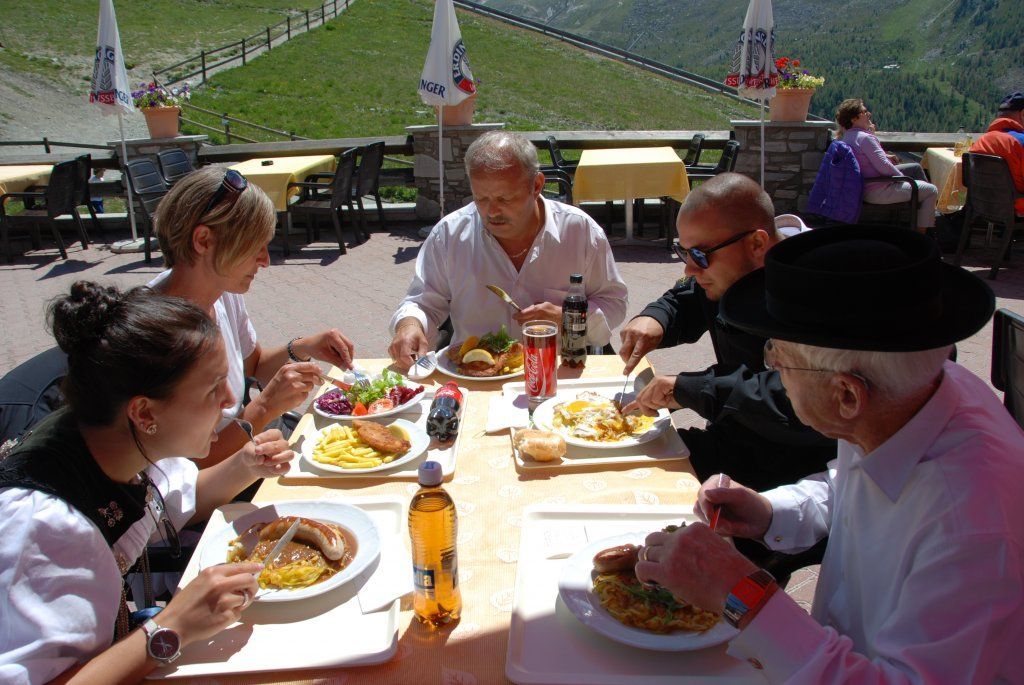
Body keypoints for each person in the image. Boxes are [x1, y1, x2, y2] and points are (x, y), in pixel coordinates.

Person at [636, 226, 1023, 682]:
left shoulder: (974, 528)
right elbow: (856, 485)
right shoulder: (916, 395)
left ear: (846, 394)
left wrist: (742, 593)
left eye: (778, 354)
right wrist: (772, 511)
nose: (771, 364)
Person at [0, 281, 295, 684]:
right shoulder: (45, 529)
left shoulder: (118, 439)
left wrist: (245, 465)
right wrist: (172, 626)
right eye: (212, 387)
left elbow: (182, 499)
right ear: (143, 412)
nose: (230, 398)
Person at [620, 173, 836, 493]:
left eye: (701, 255)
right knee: (619, 460)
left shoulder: (821, 290)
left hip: (798, 476)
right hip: (732, 439)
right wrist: (657, 319)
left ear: (757, 243)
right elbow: (691, 294)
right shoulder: (729, 267)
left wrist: (695, 389)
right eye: (684, 252)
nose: (690, 268)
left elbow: (808, 399)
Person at [152, 166, 355, 465]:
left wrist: (301, 348)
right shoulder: (154, 333)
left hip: (256, 447)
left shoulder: (222, 291)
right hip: (226, 482)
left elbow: (254, 366)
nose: (266, 260)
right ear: (204, 240)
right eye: (254, 246)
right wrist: (264, 407)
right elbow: (186, 470)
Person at [388, 130, 628, 370]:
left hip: (557, 371)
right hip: (475, 374)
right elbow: (423, 302)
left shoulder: (579, 231)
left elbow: (613, 302)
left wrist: (569, 317)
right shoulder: (450, 234)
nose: (492, 212)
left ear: (536, 185)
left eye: (504, 199)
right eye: (481, 199)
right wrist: (409, 326)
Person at [835, 98, 938, 233]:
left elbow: (868, 158)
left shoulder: (848, 137)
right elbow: (883, 166)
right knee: (931, 190)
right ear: (854, 119)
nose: (868, 114)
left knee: (915, 168)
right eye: (864, 112)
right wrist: (901, 177)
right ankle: (922, 235)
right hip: (878, 190)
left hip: (863, 186)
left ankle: (922, 214)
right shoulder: (865, 138)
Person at [970, 91, 1024, 216]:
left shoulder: (981, 141)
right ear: (1022, 114)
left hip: (983, 205)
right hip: (1016, 207)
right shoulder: (1020, 142)